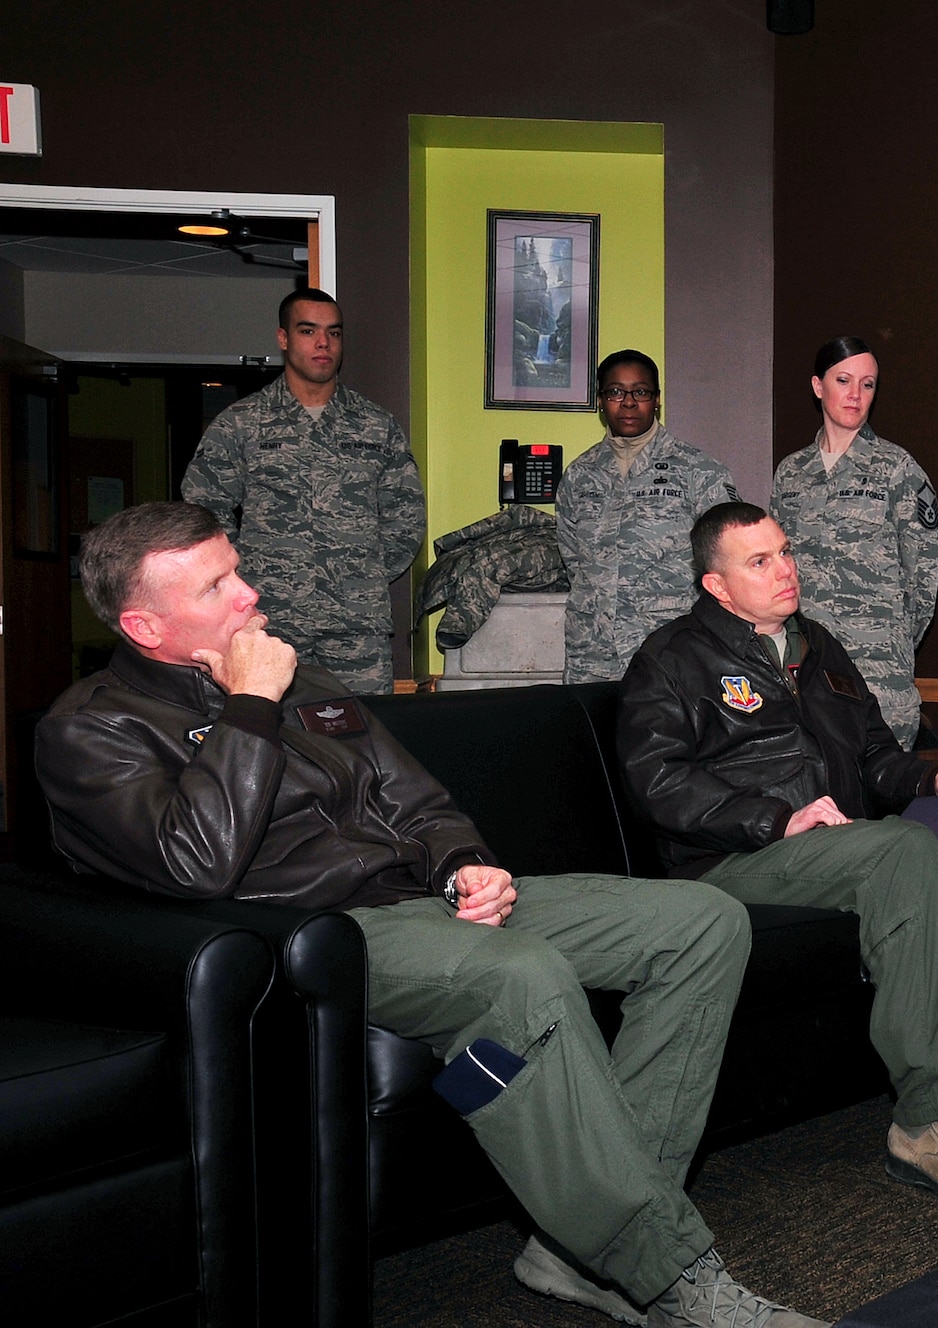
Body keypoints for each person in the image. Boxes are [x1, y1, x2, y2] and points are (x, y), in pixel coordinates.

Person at [36, 502, 824, 1328]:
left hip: (426, 900)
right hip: (321, 937)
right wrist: (250, 707)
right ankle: (662, 1270)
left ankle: (584, 1245)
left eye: (238, 569)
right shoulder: (94, 728)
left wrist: (463, 863)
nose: (250, 595)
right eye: (217, 585)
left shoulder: (301, 680)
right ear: (142, 625)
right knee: (521, 980)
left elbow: (416, 798)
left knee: (700, 921)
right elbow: (196, 863)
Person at [617, 502, 938, 1206]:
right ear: (715, 585)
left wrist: (932, 778)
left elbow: (875, 757)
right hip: (740, 861)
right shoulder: (671, 659)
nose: (785, 570)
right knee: (899, 852)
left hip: (849, 846)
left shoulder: (818, 646)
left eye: (786, 552)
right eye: (760, 561)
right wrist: (775, 819)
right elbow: (659, 783)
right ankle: (926, 1120)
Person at [182, 288, 424, 695]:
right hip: (269, 623)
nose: (323, 343)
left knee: (360, 742)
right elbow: (205, 509)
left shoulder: (375, 426)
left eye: (334, 332)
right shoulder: (243, 423)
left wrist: (361, 573)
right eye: (308, 330)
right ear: (283, 338)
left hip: (356, 628)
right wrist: (247, 576)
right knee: (269, 736)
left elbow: (406, 515)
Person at [770, 336, 938, 746]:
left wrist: (887, 639)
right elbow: (777, 568)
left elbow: (923, 581)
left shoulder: (897, 469)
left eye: (868, 384)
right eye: (843, 381)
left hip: (878, 672)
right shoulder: (791, 472)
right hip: (804, 670)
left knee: (881, 795)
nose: (855, 395)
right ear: (817, 386)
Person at [558, 350, 739, 684]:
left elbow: (728, 557)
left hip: (669, 646)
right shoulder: (579, 474)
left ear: (656, 400)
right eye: (615, 392)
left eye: (640, 392)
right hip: (592, 650)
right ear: (601, 400)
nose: (628, 402)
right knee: (591, 736)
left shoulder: (698, 470)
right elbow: (573, 558)